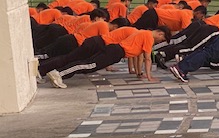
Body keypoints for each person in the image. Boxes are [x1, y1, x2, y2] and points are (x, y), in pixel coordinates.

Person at [39, 27, 171, 88]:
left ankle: (53, 72)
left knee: (86, 64)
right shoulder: (148, 37)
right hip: (114, 50)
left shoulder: (142, 32)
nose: (159, 42)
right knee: (88, 65)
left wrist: (139, 72)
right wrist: (149, 77)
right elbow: (147, 58)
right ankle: (58, 73)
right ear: (160, 33)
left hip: (114, 50)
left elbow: (138, 56)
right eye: (162, 39)